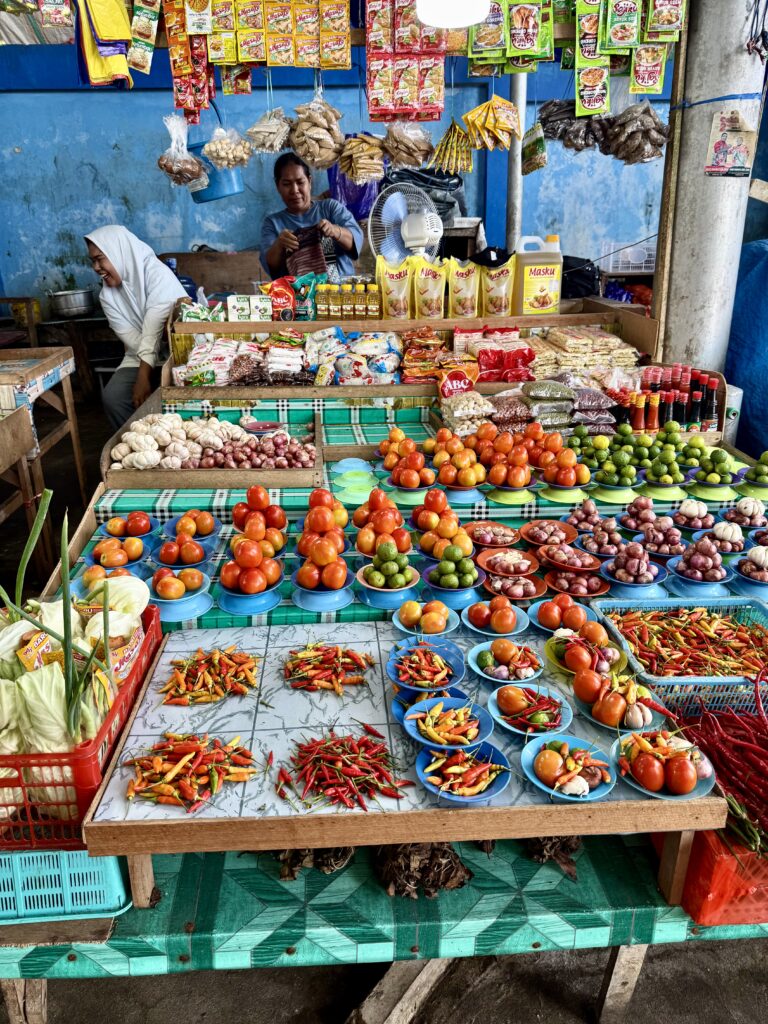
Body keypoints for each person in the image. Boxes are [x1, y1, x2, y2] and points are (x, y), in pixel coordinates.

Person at [84, 226, 187, 430]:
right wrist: (146, 371)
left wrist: (144, 377)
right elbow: (133, 339)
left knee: (177, 392)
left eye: (100, 259)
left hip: (178, 354)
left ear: (119, 252)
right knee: (114, 397)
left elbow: (155, 325)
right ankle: (139, 439)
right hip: (139, 354)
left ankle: (172, 439)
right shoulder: (107, 296)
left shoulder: (157, 274)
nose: (96, 267)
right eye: (92, 261)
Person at [260, 152, 363, 280]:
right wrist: (279, 244)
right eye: (286, 184)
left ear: (309, 181)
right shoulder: (272, 223)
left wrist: (335, 230)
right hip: (298, 292)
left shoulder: (330, 208)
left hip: (340, 289)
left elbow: (355, 241)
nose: (294, 190)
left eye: (300, 182)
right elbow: (270, 264)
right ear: (278, 186)